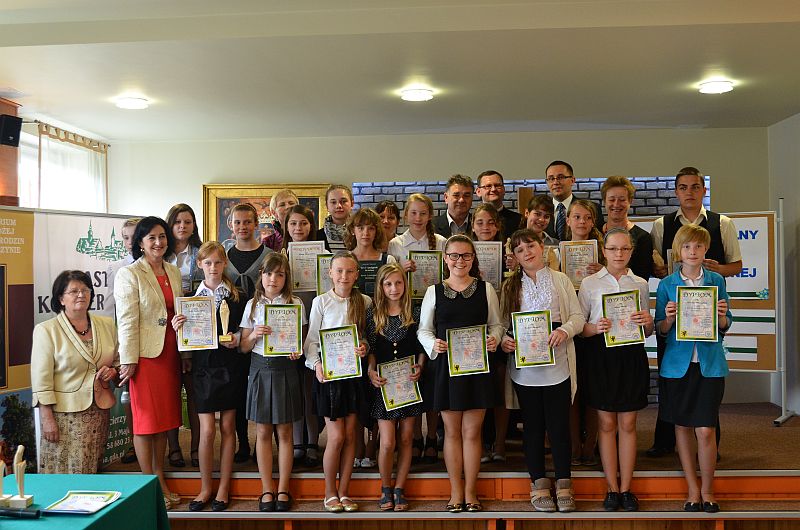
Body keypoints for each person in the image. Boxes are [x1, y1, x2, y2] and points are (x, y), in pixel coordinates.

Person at [647, 166, 742, 458]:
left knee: (707, 391)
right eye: (683, 187)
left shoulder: (722, 223)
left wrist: (717, 269)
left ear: (703, 190)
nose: (689, 192)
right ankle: (665, 442)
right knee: (673, 382)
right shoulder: (661, 224)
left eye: (695, 186)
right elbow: (655, 265)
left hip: (707, 317)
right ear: (676, 191)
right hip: (676, 316)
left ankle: (711, 447)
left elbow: (736, 265)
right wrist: (665, 273)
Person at [499, 229, 584, 512]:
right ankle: (538, 482)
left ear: (542, 247)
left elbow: (578, 317)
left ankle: (564, 482)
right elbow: (502, 325)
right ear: (515, 257)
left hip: (558, 363)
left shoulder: (560, 280)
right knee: (533, 428)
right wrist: (505, 341)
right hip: (525, 369)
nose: (527, 252)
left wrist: (564, 330)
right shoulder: (510, 286)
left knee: (559, 427)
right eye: (520, 250)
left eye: (530, 246)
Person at [418, 235, 504, 513]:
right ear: (445, 259)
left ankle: (471, 492)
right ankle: (455, 491)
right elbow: (423, 330)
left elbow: (497, 324)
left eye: (466, 255)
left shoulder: (486, 289)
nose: (460, 261)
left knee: (472, 432)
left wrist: (494, 338)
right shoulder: (434, 291)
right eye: (454, 255)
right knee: (452, 432)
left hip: (477, 368)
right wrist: (433, 344)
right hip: (447, 368)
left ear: (473, 258)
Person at [655, 224, 732, 513]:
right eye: (687, 246)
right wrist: (669, 319)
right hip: (678, 366)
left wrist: (721, 317)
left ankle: (708, 490)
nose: (693, 251)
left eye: (698, 246)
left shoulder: (716, 280)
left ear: (706, 249)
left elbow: (726, 323)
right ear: (679, 250)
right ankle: (692, 489)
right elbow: (660, 330)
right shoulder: (667, 284)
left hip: (710, 364)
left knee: (706, 430)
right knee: (683, 428)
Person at [578, 228, 654, 512]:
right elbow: (581, 328)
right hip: (601, 356)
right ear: (604, 251)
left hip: (631, 355)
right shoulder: (589, 283)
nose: (618, 254)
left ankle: (626, 488)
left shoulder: (640, 283)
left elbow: (647, 331)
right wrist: (594, 327)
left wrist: (648, 322)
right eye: (613, 249)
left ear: (631, 251)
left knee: (629, 424)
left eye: (624, 249)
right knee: (607, 424)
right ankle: (611, 488)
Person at [115, 216, 184, 509]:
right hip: (144, 358)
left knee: (163, 421)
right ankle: (149, 485)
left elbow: (178, 310)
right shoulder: (129, 274)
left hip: (170, 353)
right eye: (151, 238)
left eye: (162, 236)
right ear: (140, 243)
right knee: (145, 423)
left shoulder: (173, 271)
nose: (158, 242)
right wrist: (128, 360)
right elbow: (127, 321)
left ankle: (160, 477)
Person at [172, 242, 244, 512]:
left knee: (227, 427)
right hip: (203, 368)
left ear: (225, 263)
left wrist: (238, 338)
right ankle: (205, 487)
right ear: (200, 265)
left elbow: (245, 329)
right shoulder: (190, 299)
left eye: (218, 262)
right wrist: (178, 328)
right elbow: (185, 339)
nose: (213, 267)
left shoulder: (238, 296)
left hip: (230, 366)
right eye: (208, 263)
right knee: (206, 430)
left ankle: (223, 487)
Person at [31, 270, 119, 474]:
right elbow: (41, 379)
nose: (81, 295)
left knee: (93, 470)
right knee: (67, 472)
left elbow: (117, 360)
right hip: (64, 416)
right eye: (74, 291)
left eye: (85, 290)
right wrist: (47, 419)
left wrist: (113, 371)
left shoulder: (106, 325)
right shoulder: (47, 330)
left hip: (99, 412)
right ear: (61, 299)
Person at [304, 251, 371, 513]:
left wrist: (364, 347)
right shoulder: (321, 302)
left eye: (349, 271)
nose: (344, 276)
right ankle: (329, 492)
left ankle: (344, 491)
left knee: (352, 435)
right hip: (330, 376)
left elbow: (367, 337)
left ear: (357, 274)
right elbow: (311, 341)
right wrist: (316, 364)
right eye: (339, 271)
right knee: (337, 436)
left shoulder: (364, 301)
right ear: (330, 273)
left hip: (354, 376)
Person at [240, 253, 307, 512]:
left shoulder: (295, 303)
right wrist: (254, 335)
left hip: (285, 369)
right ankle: (267, 488)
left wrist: (297, 350)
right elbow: (243, 347)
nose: (273, 279)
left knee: (285, 432)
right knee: (263, 432)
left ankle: (283, 489)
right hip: (260, 368)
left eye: (280, 274)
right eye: (269, 273)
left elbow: (301, 340)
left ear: (286, 277)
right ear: (261, 275)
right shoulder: (252, 305)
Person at [387, 193, 446, 464]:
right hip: (407, 313)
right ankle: (416, 436)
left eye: (423, 213)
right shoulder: (395, 244)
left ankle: (431, 435)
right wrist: (401, 269)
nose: (418, 218)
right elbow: (387, 280)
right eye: (413, 213)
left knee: (431, 375)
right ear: (405, 216)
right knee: (412, 372)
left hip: (435, 312)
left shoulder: (441, 243)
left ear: (430, 215)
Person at [366, 263, 425, 512]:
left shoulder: (415, 312)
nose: (394, 288)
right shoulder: (373, 314)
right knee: (388, 441)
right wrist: (370, 371)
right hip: (384, 386)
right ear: (381, 287)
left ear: (405, 284)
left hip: (409, 385)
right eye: (388, 284)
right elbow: (370, 349)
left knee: (407, 438)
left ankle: (400, 488)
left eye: (398, 283)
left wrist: (420, 366)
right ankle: (385, 487)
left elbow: (422, 347)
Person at [225, 202, 273, 463]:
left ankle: (261, 444)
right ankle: (242, 442)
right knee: (238, 391)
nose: (242, 227)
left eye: (247, 222)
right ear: (230, 225)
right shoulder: (223, 257)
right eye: (237, 222)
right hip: (232, 331)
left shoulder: (269, 256)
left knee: (262, 389)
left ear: (256, 224)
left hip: (263, 331)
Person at [281, 204, 322, 466]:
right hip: (288, 328)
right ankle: (297, 442)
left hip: (314, 326)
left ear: (311, 226)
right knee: (293, 390)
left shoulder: (322, 254)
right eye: (293, 223)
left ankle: (312, 442)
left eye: (304, 223)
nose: (298, 228)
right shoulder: (280, 255)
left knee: (310, 389)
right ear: (286, 226)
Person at [564, 199, 604, 466]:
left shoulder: (604, 255)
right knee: (571, 391)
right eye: (576, 217)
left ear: (593, 222)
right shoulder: (556, 253)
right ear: (567, 221)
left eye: (587, 217)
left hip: (595, 330)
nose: (581, 222)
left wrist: (603, 272)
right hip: (567, 328)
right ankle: (573, 445)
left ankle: (590, 445)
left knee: (592, 389)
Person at [165, 203, 203, 469]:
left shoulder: (202, 253)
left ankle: (197, 448)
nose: (182, 226)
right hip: (166, 329)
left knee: (194, 392)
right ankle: (174, 448)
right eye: (177, 221)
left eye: (187, 221)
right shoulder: (160, 254)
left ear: (194, 225)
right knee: (170, 393)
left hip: (196, 328)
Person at [469, 203, 508, 463]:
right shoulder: (463, 252)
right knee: (478, 390)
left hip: (501, 320)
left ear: (498, 226)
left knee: (500, 387)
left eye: (491, 222)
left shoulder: (509, 252)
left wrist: (513, 266)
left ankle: (500, 443)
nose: (485, 227)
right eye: (480, 222)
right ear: (472, 226)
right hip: (473, 326)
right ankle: (480, 442)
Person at [107, 217, 141, 465]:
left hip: (149, 338)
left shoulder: (157, 264)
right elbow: (112, 307)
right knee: (127, 392)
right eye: (125, 238)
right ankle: (131, 440)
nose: (130, 242)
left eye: (134, 237)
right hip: (124, 334)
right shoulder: (117, 268)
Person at [600, 177, 653, 280]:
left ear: (630, 201)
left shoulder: (642, 238)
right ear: (604, 202)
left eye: (622, 200)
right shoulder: (595, 232)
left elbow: (642, 277)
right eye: (611, 200)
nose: (616, 204)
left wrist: (603, 272)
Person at [544, 161, 603, 241]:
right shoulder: (541, 210)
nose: (555, 182)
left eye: (560, 177)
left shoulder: (592, 208)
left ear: (572, 180)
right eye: (551, 178)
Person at [345, 207, 398, 297]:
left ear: (376, 231)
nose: (366, 233)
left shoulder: (388, 260)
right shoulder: (344, 260)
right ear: (352, 230)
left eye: (371, 228)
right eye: (361, 228)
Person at [475, 170, 522, 240]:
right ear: (478, 191)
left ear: (504, 189)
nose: (493, 189)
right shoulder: (471, 221)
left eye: (497, 185)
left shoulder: (519, 220)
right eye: (488, 186)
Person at [318, 184, 354, 252]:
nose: (338, 206)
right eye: (333, 202)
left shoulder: (362, 233)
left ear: (352, 204)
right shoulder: (317, 236)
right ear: (327, 206)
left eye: (343, 201)